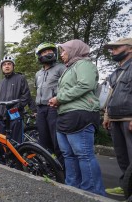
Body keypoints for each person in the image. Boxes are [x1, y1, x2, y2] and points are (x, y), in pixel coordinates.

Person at [48, 39, 105, 196]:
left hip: (81, 114)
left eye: (64, 51)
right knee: (68, 154)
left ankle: (93, 193)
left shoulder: (84, 64)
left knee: (84, 154)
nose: (62, 55)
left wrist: (60, 98)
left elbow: (85, 85)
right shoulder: (69, 68)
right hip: (65, 115)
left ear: (74, 50)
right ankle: (72, 189)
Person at [102, 37, 132, 196]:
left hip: (128, 119)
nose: (113, 51)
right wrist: (106, 116)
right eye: (112, 48)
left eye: (117, 48)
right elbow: (110, 96)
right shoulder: (115, 72)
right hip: (115, 119)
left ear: (130, 49)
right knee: (122, 156)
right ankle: (126, 186)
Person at [34, 42, 66, 166]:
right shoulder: (38, 74)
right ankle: (49, 166)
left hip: (54, 107)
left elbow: (66, 86)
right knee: (43, 140)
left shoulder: (61, 68)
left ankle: (63, 168)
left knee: (57, 139)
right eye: (44, 52)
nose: (48, 54)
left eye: (50, 51)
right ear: (39, 55)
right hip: (40, 109)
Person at [0, 56, 36, 144]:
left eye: (9, 64)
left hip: (15, 114)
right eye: (4, 64)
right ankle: (1, 157)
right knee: (0, 141)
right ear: (2, 68)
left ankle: (15, 158)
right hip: (1, 116)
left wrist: (17, 107)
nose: (7, 66)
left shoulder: (20, 78)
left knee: (15, 141)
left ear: (13, 66)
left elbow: (26, 95)